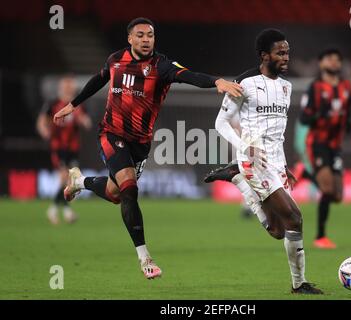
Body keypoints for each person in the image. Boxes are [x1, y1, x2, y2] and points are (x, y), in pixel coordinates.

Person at [52, 17, 243, 280]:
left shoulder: (161, 66)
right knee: (130, 190)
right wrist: (73, 105)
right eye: (140, 35)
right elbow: (98, 80)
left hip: (140, 143)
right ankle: (145, 258)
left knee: (115, 194)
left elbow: (189, 75)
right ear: (130, 38)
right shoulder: (115, 60)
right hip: (111, 133)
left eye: (150, 35)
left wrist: (216, 81)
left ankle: (79, 181)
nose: (146, 40)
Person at [208, 29, 323, 294]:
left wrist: (284, 167)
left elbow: (277, 133)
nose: (286, 57)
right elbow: (221, 123)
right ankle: (299, 284)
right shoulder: (244, 83)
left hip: (275, 162)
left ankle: (237, 180)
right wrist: (244, 148)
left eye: (287, 53)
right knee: (295, 218)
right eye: (280, 53)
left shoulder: (286, 87)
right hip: (253, 160)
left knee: (278, 230)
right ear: (264, 55)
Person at [299, 48, 351, 249]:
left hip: (335, 146)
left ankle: (305, 173)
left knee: (337, 196)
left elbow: (348, 112)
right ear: (321, 63)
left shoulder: (347, 87)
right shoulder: (315, 88)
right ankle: (320, 236)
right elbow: (304, 118)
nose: (334, 62)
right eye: (329, 59)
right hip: (318, 143)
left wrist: (347, 123)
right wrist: (318, 115)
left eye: (337, 59)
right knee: (327, 189)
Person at [37, 75, 92, 225]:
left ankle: (64, 211)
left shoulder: (78, 105)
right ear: (62, 87)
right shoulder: (53, 103)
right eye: (67, 86)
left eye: (71, 86)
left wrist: (84, 121)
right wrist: (44, 131)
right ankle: (56, 210)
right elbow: (42, 121)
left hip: (73, 148)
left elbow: (86, 121)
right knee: (63, 177)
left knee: (69, 181)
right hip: (58, 146)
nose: (69, 88)